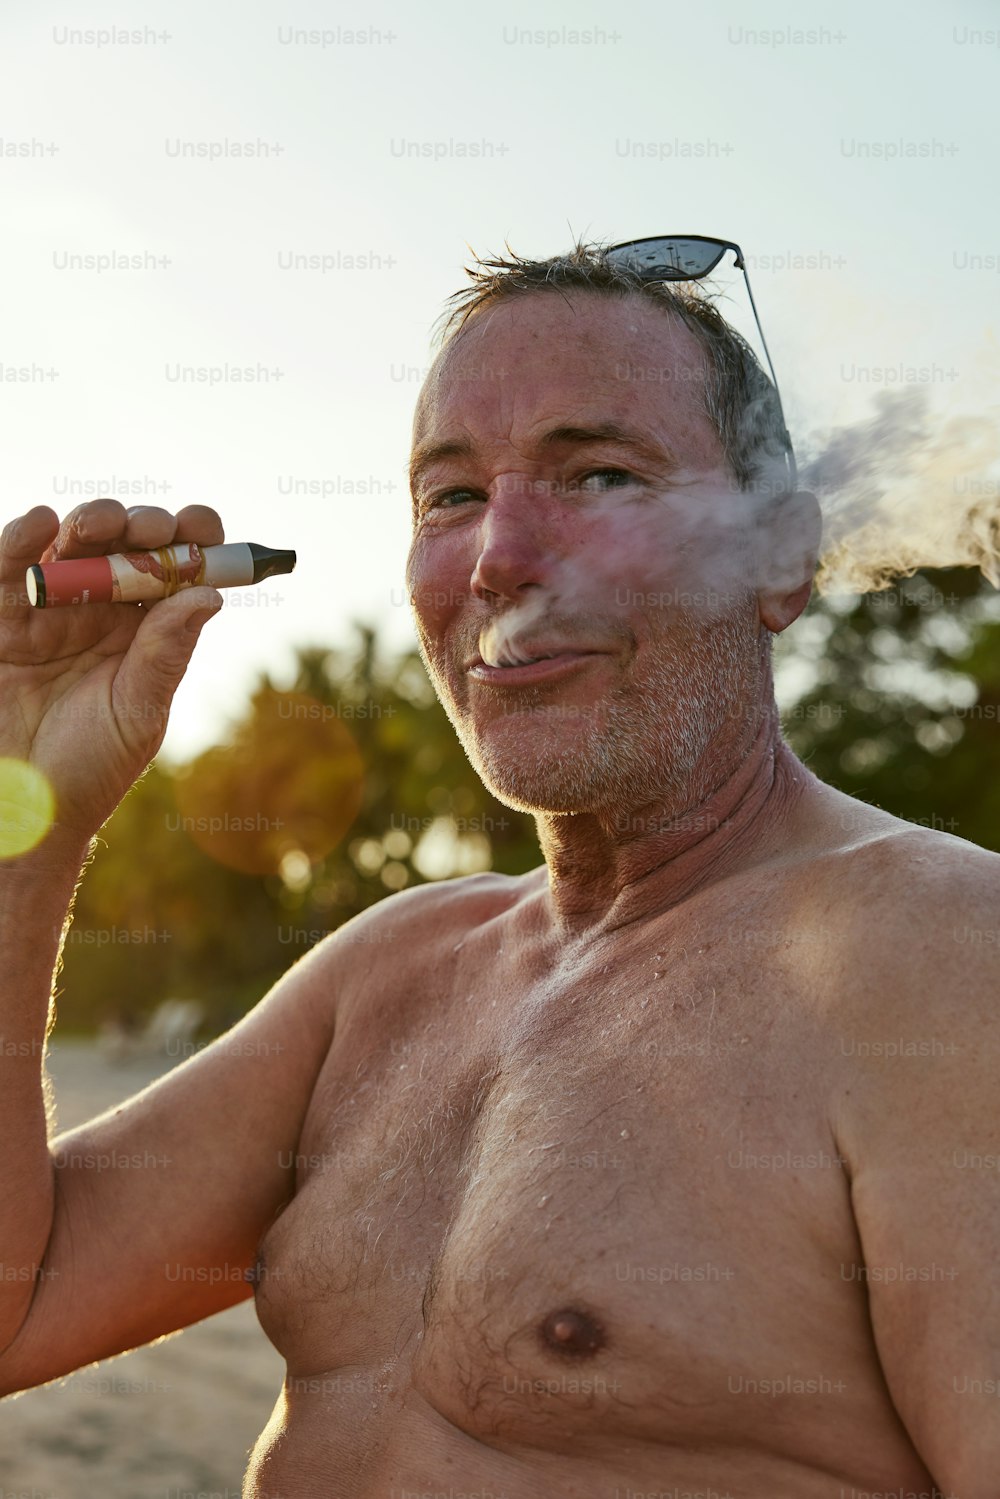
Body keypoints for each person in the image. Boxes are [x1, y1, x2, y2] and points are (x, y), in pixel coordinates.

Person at [0, 241, 997, 1498]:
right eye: (450, 497)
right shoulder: (387, 971)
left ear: (778, 555)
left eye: (598, 473)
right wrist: (26, 824)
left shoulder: (941, 957)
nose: (500, 558)